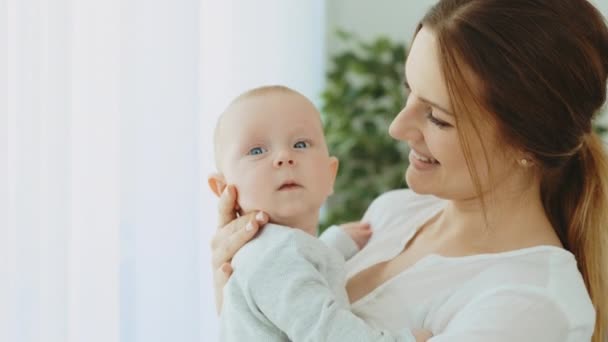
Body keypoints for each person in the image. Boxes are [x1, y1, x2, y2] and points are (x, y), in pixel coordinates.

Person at [210, 0, 608, 341]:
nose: (397, 127)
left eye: (437, 117)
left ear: (525, 143)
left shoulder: (528, 305)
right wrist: (235, 289)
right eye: (409, 91)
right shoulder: (392, 213)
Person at [208, 85, 432, 341]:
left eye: (300, 144)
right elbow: (327, 332)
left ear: (329, 175)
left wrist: (334, 243)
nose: (283, 157)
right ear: (224, 188)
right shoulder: (271, 258)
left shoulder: (275, 251)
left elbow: (303, 269)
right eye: (257, 151)